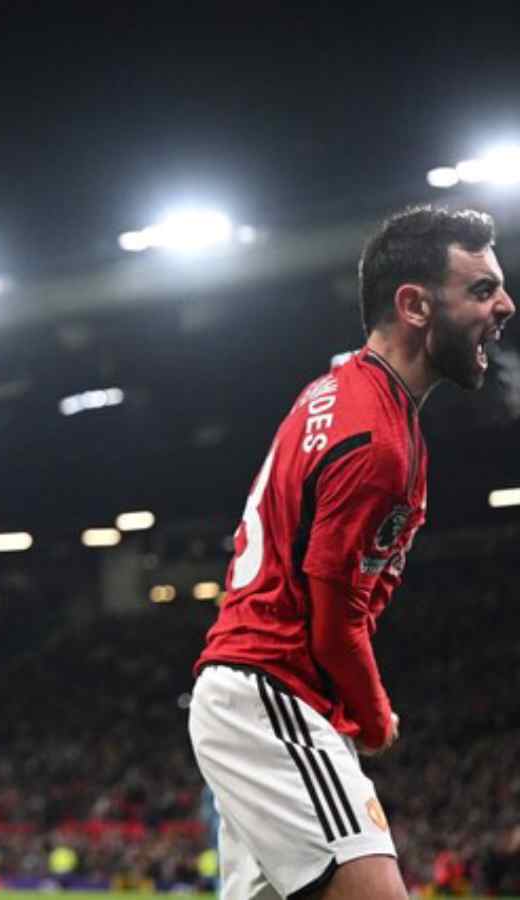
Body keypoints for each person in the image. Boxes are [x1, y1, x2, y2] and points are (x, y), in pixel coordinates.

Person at [188, 205, 514, 900]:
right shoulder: (379, 442)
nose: (505, 305)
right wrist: (372, 713)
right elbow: (334, 620)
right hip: (274, 690)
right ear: (415, 305)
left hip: (253, 691)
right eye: (482, 289)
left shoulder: (333, 391)